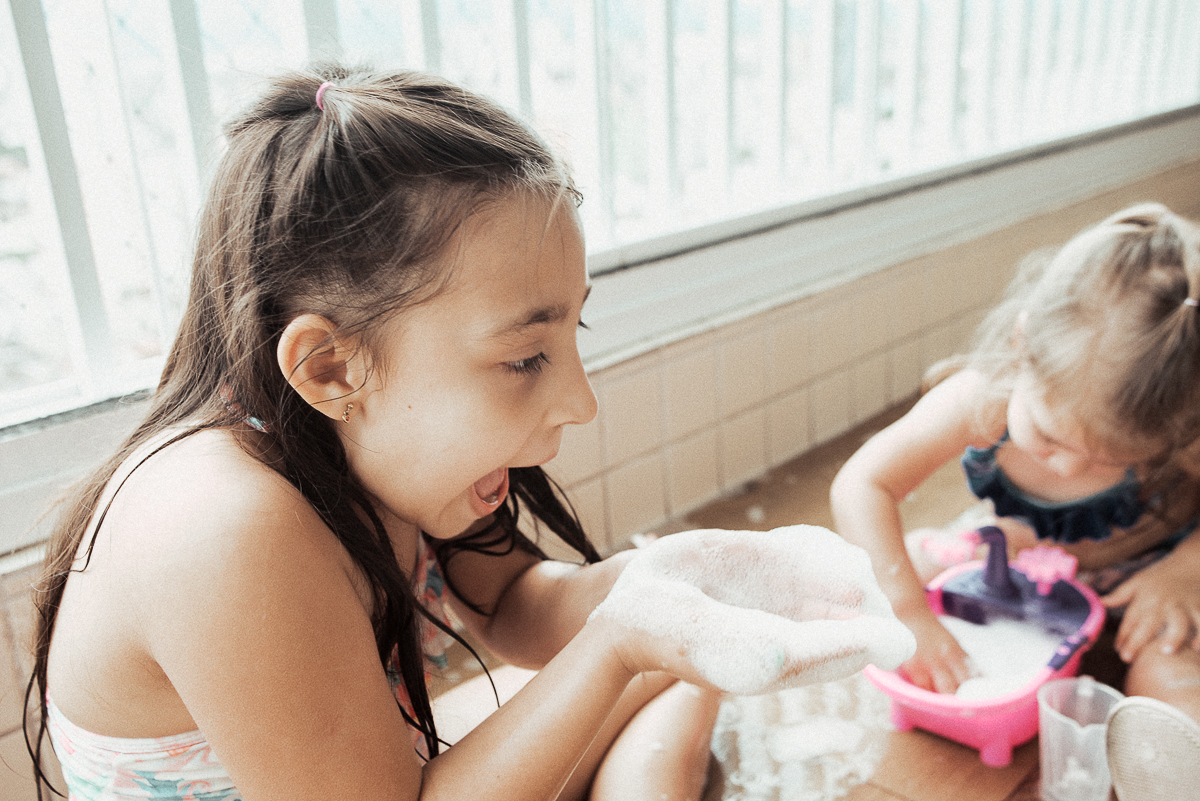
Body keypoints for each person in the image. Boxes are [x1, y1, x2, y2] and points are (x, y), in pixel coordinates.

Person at [26, 65, 910, 801]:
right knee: (645, 667)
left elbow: (516, 602)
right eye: (526, 357)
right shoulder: (224, 531)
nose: (580, 402)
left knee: (677, 668)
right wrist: (619, 640)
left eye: (572, 332)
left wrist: (675, 581)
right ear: (331, 368)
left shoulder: (375, 441)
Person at [830, 203, 1200, 797]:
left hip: (1144, 579)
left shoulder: (1178, 418)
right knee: (909, 564)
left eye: (1111, 460)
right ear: (1021, 345)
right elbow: (862, 483)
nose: (1070, 466)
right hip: (1021, 570)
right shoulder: (980, 400)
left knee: (1167, 673)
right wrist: (907, 610)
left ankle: (1174, 772)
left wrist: (1185, 569)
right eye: (1049, 437)